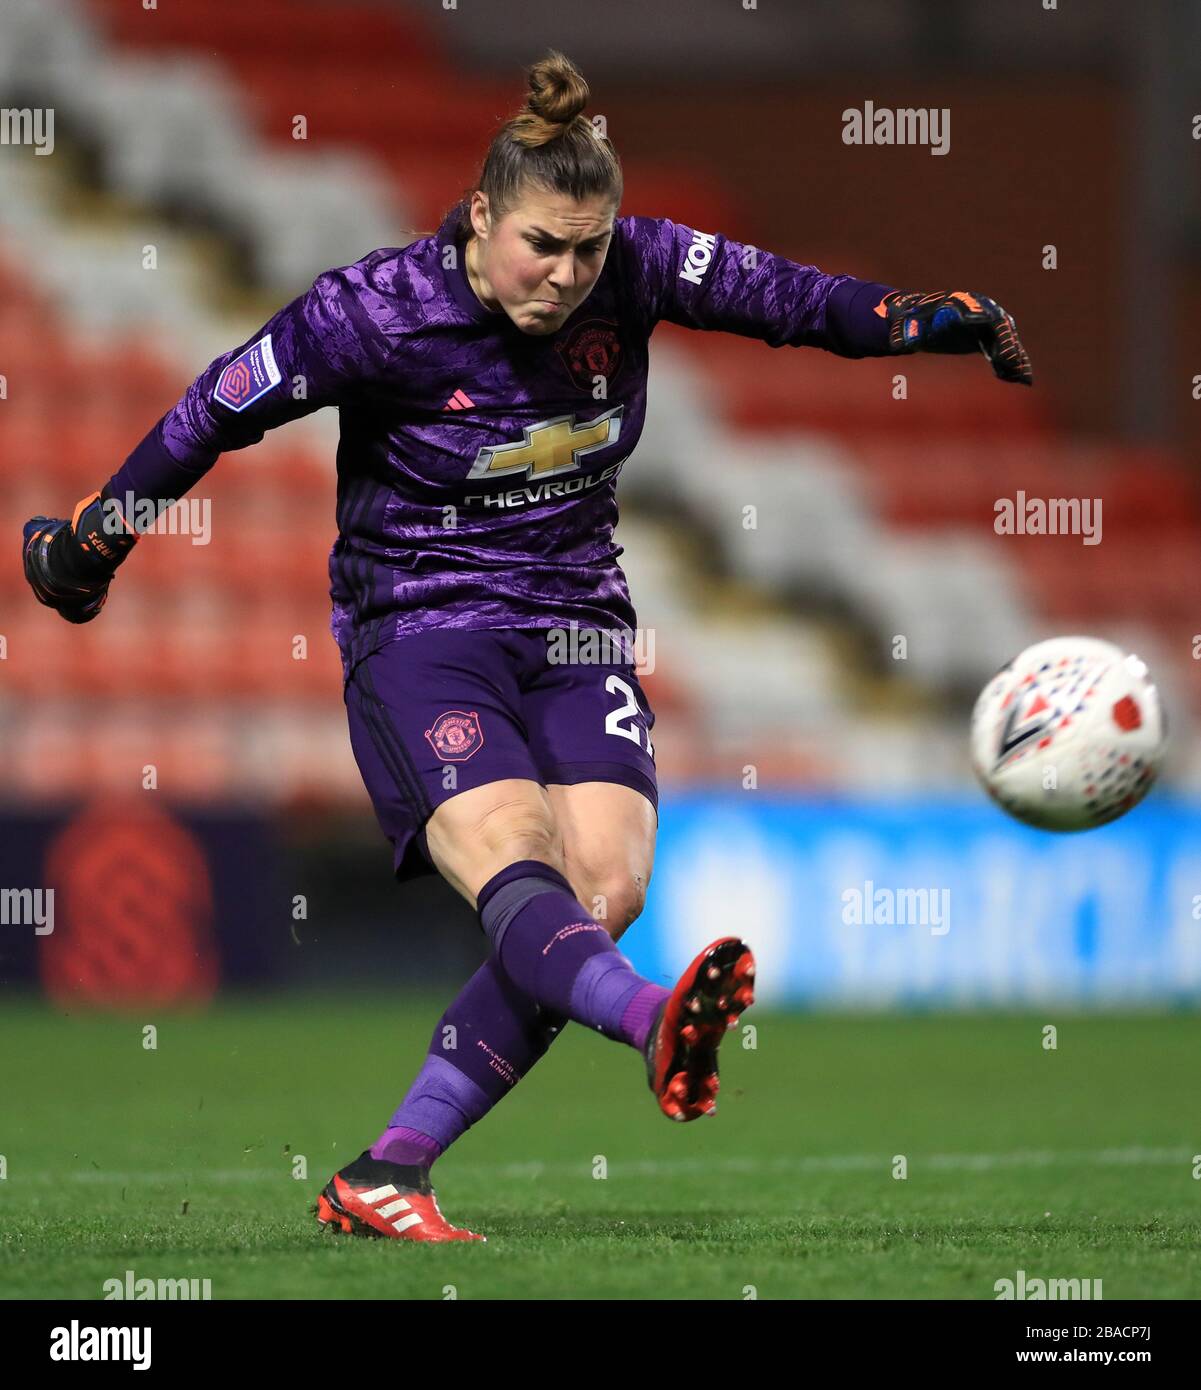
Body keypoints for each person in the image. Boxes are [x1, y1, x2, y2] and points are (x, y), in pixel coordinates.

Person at [22, 50, 1032, 1243]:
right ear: (483, 214)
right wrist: (98, 538)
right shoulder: (371, 312)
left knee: (601, 889)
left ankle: (387, 1169)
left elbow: (800, 304)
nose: (564, 276)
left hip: (574, 624)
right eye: (541, 246)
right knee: (516, 853)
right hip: (421, 625)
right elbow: (215, 408)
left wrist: (919, 321)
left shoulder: (640, 267)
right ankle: (654, 1023)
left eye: (587, 251)